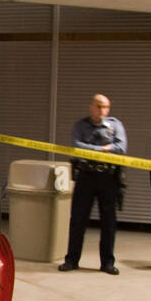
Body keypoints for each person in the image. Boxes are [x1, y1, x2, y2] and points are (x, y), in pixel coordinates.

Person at [59, 94, 127, 274]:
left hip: (108, 178)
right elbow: (76, 146)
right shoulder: (81, 126)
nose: (102, 110)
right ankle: (72, 260)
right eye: (99, 106)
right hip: (86, 177)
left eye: (105, 107)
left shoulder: (115, 125)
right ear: (91, 107)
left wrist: (91, 150)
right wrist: (103, 149)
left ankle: (107, 263)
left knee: (109, 222)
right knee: (78, 220)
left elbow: (121, 148)